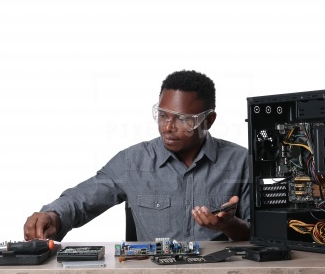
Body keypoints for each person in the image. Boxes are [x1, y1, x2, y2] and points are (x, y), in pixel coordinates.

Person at [23, 70, 250, 242]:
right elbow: (81, 199)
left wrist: (229, 225)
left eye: (182, 119)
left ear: (208, 121)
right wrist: (53, 215)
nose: (167, 127)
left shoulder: (241, 162)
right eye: (162, 115)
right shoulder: (133, 162)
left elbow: (264, 237)